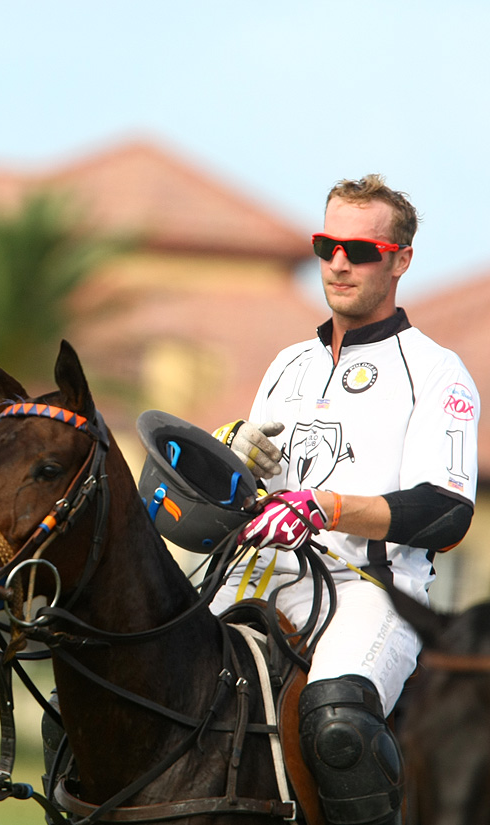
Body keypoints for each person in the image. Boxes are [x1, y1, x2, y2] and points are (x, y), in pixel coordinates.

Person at [211, 174, 479, 825]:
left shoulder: (436, 370)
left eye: (359, 249)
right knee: (131, 663)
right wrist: (229, 448)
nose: (337, 262)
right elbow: (235, 493)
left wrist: (328, 506)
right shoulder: (286, 365)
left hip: (369, 587)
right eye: (326, 244)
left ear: (400, 260)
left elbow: (446, 511)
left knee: (338, 723)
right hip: (254, 571)